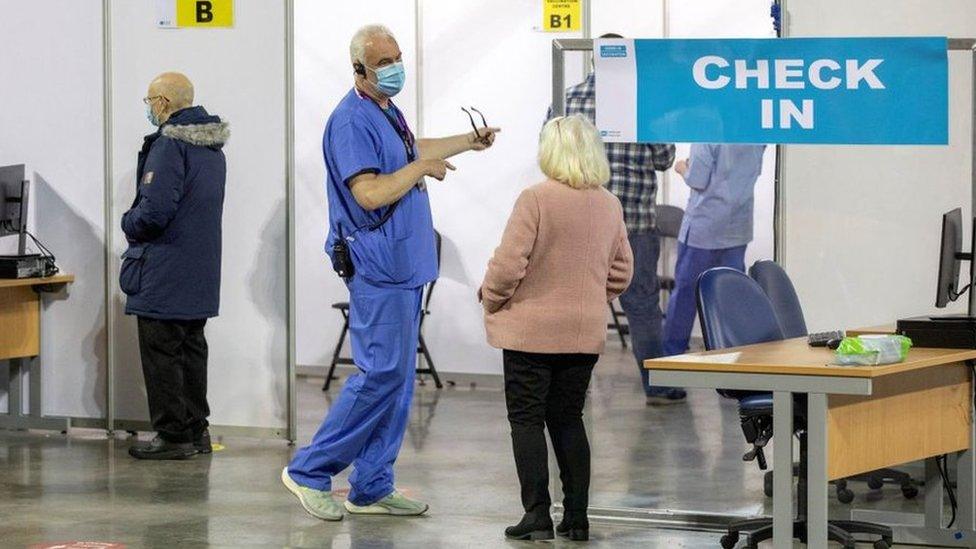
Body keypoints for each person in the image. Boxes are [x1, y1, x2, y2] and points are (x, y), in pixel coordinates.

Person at [282, 24, 500, 521]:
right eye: (385, 62)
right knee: (378, 373)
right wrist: (421, 171)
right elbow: (370, 193)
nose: (396, 67)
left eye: (398, 57)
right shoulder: (349, 121)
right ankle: (309, 471)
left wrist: (467, 141)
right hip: (377, 266)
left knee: (398, 380)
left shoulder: (384, 109)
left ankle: (372, 484)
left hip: (404, 266)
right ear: (358, 69)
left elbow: (410, 148)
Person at [481, 115, 633, 541]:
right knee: (569, 419)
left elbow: (508, 266)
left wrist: (492, 299)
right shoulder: (609, 204)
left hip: (530, 332)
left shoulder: (535, 199)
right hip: (582, 334)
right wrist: (589, 299)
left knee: (526, 420)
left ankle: (537, 514)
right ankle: (578, 517)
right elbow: (622, 271)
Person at [548, 33, 679, 405]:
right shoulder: (646, 103)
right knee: (641, 305)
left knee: (572, 304)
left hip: (577, 225)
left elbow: (550, 157)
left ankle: (567, 387)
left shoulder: (567, 100)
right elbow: (664, 158)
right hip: (633, 222)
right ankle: (656, 385)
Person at [121, 72, 229, 460]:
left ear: (164, 103)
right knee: (191, 351)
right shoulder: (213, 147)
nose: (149, 108)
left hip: (165, 273)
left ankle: (172, 436)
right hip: (199, 272)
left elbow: (154, 211)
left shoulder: (170, 145)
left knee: (162, 355)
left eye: (150, 100)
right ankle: (196, 431)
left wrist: (127, 221)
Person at [664, 144, 767, 356]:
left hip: (704, 228)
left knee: (685, 297)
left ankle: (672, 358)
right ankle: (731, 359)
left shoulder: (707, 132)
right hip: (737, 228)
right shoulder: (755, 131)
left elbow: (697, 179)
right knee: (731, 298)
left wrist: (682, 167)